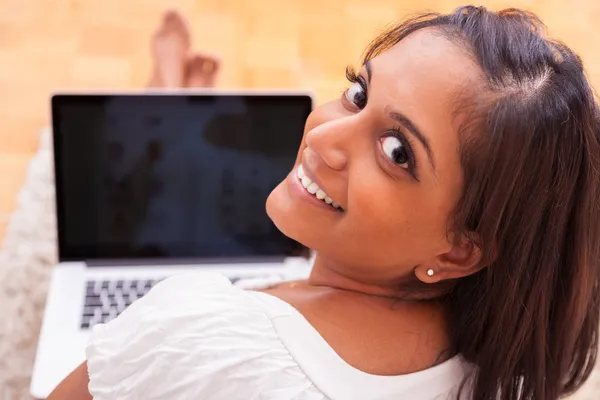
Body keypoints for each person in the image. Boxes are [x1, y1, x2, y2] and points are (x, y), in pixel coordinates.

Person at [48, 6, 600, 400]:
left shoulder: (195, 333)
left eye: (396, 151)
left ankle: (164, 106)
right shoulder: (514, 375)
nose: (322, 138)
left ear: (460, 251)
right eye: (359, 93)